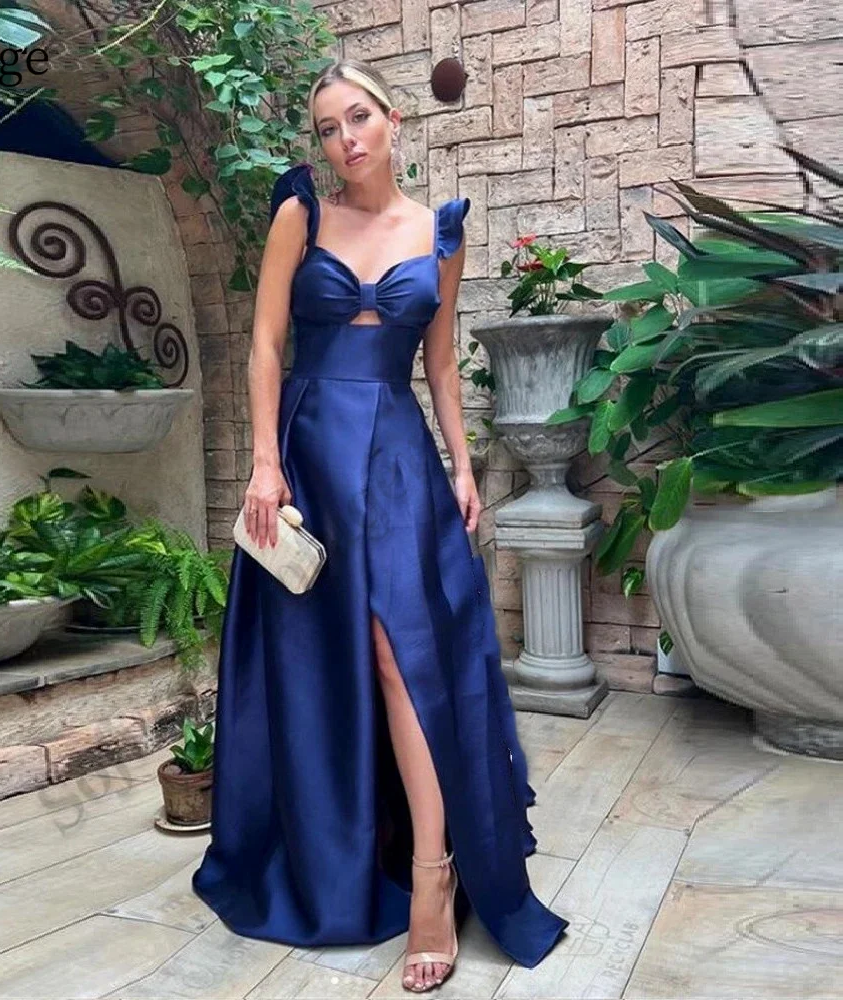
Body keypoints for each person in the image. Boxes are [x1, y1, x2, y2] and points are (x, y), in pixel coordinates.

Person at [191, 58, 569, 992]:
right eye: (328, 127)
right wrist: (266, 462)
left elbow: (438, 364)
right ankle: (334, 850)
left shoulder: (440, 232)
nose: (344, 139)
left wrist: (463, 463)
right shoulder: (300, 215)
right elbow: (266, 343)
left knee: (410, 656)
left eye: (357, 118)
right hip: (310, 451)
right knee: (324, 656)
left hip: (398, 458)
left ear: (394, 120)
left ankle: (433, 876)